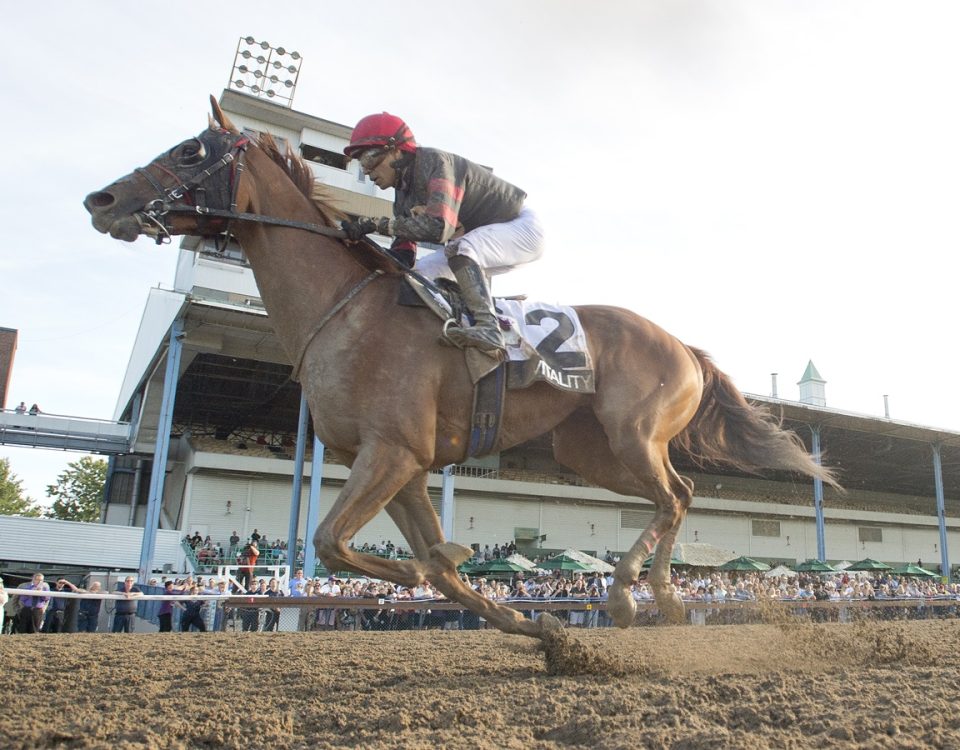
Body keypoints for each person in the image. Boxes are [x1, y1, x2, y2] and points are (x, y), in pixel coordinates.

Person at [341, 112, 545, 354]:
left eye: (368, 160)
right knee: (418, 276)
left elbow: (439, 228)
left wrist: (376, 225)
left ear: (396, 150)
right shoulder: (403, 195)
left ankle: (488, 328)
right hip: (484, 236)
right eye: (361, 164)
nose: (366, 172)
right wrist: (361, 250)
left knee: (460, 248)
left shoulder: (435, 163)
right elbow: (403, 257)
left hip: (522, 227)